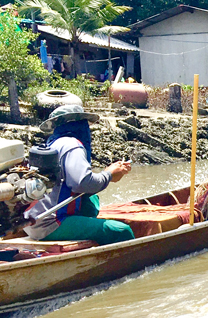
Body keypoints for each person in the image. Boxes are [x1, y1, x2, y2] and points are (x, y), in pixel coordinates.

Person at [24, 104, 134, 244]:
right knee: (121, 231)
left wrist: (109, 173)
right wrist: (109, 174)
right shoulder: (72, 145)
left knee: (92, 201)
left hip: (32, 222)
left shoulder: (52, 144)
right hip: (51, 223)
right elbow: (82, 183)